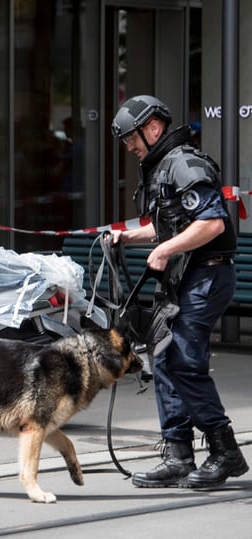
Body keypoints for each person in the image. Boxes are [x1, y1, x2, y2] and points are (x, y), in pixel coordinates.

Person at [110, 94, 248, 488]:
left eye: (131, 137)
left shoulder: (185, 165)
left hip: (207, 274)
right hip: (187, 276)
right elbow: (173, 224)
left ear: (153, 128)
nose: (129, 146)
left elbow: (212, 223)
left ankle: (225, 452)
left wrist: (166, 249)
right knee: (165, 358)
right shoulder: (161, 167)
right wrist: (128, 237)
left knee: (184, 360)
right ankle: (179, 454)